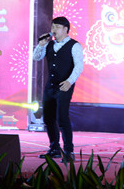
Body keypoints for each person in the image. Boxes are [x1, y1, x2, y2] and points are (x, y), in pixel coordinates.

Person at [33, 16, 83, 162]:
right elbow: (36, 57)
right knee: (48, 118)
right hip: (50, 86)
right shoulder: (49, 44)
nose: (53, 30)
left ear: (66, 29)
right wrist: (41, 45)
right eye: (52, 27)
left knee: (62, 117)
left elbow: (78, 66)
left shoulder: (74, 45)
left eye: (57, 27)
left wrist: (69, 81)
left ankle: (68, 151)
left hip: (64, 85)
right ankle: (54, 148)